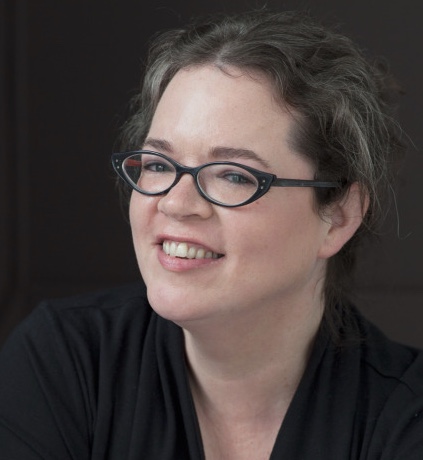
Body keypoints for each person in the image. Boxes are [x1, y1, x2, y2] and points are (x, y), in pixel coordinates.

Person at [1, 9, 422, 460]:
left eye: (234, 175)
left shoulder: (405, 419)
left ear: (338, 216)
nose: (175, 203)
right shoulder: (63, 361)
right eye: (158, 164)